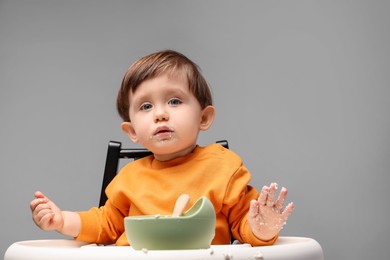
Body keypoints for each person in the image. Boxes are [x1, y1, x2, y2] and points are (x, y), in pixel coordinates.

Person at [30, 50, 294, 246]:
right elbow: (106, 225)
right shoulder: (130, 178)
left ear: (203, 118)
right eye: (146, 106)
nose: (160, 114)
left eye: (174, 101)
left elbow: (243, 225)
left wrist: (262, 228)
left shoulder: (222, 167)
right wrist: (62, 221)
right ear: (132, 131)